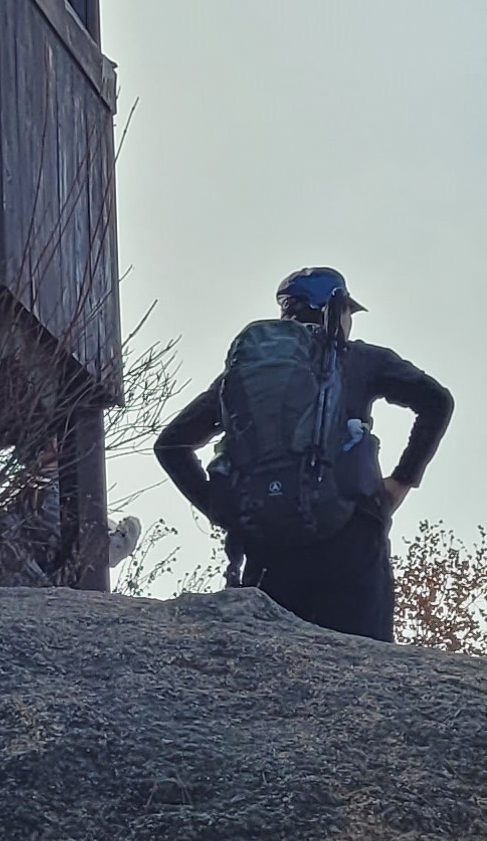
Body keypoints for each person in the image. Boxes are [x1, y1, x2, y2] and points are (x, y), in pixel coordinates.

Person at [156, 265, 452, 641]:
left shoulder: (244, 376)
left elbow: (170, 445)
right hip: (351, 544)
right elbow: (437, 401)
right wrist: (402, 481)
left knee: (276, 668)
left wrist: (224, 511)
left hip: (268, 549)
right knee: (365, 664)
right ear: (335, 308)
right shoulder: (360, 359)